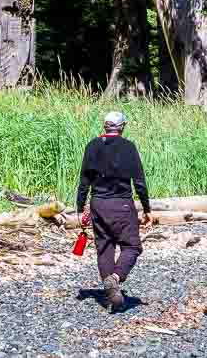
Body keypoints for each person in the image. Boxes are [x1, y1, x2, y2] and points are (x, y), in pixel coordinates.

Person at [76, 111, 153, 311]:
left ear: (105, 126)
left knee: (105, 247)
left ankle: (111, 293)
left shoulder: (92, 145)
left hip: (98, 204)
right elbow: (139, 181)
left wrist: (79, 206)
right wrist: (147, 209)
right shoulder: (128, 147)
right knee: (132, 246)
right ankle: (116, 278)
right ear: (122, 127)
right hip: (121, 204)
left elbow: (84, 179)